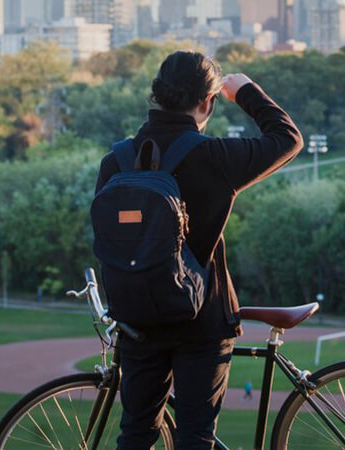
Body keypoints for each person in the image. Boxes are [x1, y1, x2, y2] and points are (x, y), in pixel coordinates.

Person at [96, 51, 302, 450]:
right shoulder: (214, 157)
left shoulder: (116, 162)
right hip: (202, 322)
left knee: (136, 433)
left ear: (158, 94)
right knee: (195, 438)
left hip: (139, 322)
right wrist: (245, 92)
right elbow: (288, 139)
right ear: (207, 101)